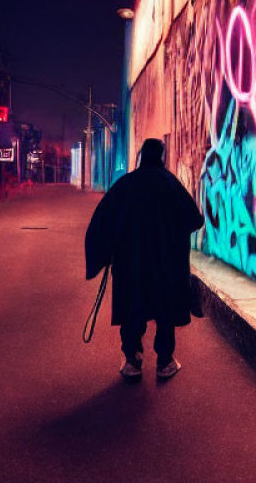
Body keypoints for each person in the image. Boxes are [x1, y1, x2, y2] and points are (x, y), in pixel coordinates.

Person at [84, 137, 204, 380]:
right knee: (165, 311)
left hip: (130, 264)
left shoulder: (126, 184)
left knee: (132, 308)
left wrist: (102, 257)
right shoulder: (170, 184)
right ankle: (164, 362)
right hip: (166, 264)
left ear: (141, 156)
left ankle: (132, 361)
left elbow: (102, 222)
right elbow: (195, 219)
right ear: (161, 156)